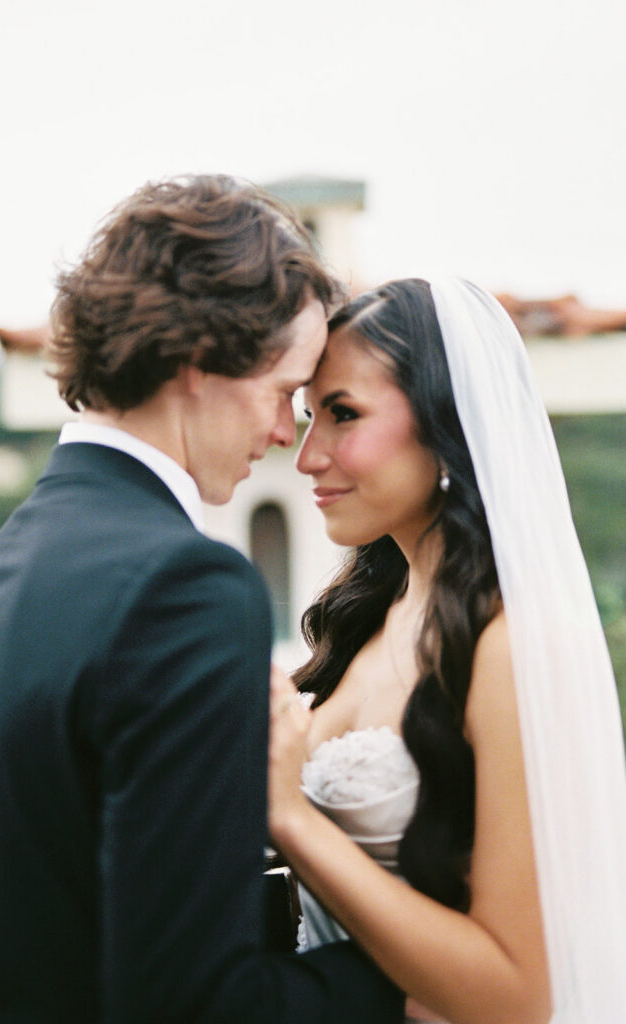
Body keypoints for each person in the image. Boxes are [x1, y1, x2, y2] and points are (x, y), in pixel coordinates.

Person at [0, 175, 406, 1023]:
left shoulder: (18, 553)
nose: (283, 435)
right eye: (281, 394)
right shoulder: (183, 587)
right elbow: (196, 1000)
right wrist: (406, 985)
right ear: (201, 362)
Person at [267, 278, 626, 1024]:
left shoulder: (512, 641)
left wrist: (290, 820)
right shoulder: (371, 613)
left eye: (341, 415)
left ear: (447, 425)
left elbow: (516, 996)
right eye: (308, 418)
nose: (307, 457)